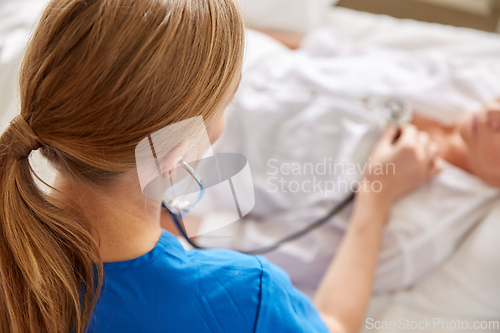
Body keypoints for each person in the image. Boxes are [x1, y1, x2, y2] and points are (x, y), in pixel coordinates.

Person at [0, 0, 441, 332]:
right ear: (175, 149)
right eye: (226, 103)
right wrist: (374, 205)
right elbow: (335, 325)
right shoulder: (245, 297)